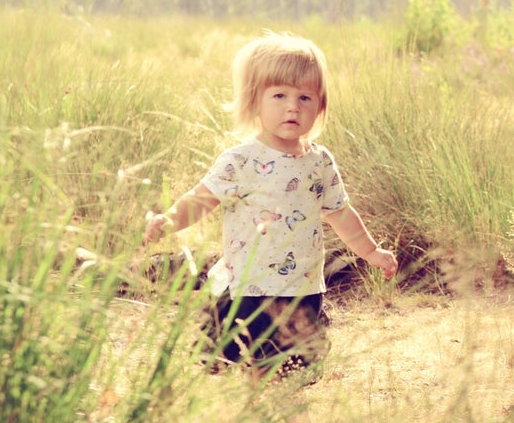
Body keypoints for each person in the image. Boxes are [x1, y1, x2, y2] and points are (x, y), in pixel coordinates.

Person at [143, 31, 398, 382]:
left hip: (302, 288)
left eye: (305, 97)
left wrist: (370, 251)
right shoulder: (240, 160)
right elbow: (202, 199)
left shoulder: (319, 161)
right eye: (279, 95)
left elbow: (339, 212)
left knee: (290, 370)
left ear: (320, 106)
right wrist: (171, 220)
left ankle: (265, 405)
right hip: (252, 287)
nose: (293, 106)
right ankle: (264, 407)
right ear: (254, 101)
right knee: (257, 363)